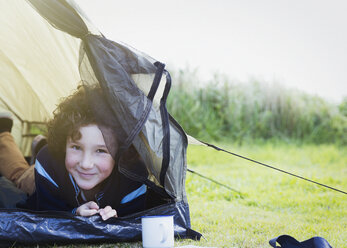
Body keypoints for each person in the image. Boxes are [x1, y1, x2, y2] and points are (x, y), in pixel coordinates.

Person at [0, 85, 148, 220]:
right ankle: (3, 134)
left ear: (121, 152)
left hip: (62, 163)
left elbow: (134, 218)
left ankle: (43, 144)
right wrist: (73, 213)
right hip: (50, 175)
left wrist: (118, 219)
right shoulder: (48, 163)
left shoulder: (133, 175)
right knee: (20, 176)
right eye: (76, 147)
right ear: (64, 143)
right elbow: (46, 213)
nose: (86, 164)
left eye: (101, 150)